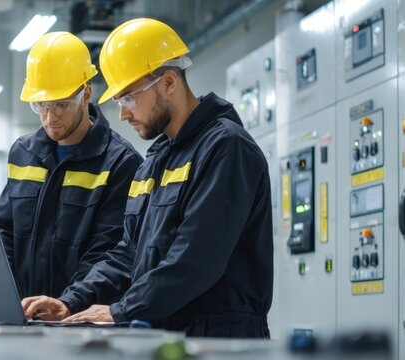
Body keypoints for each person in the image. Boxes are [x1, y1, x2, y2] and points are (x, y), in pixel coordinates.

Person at [22, 18, 273, 338]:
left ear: (168, 82)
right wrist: (72, 301)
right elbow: (128, 252)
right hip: (166, 333)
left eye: (127, 98)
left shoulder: (225, 148)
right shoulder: (155, 160)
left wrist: (121, 310)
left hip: (220, 339)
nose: (123, 114)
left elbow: (197, 258)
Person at [0, 32, 142, 299]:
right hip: (25, 314)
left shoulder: (121, 163)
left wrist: (67, 303)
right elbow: (2, 231)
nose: (50, 117)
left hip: (83, 318)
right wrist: (5, 296)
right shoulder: (23, 153)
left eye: (61, 104)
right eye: (41, 105)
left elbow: (108, 251)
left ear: (86, 93)